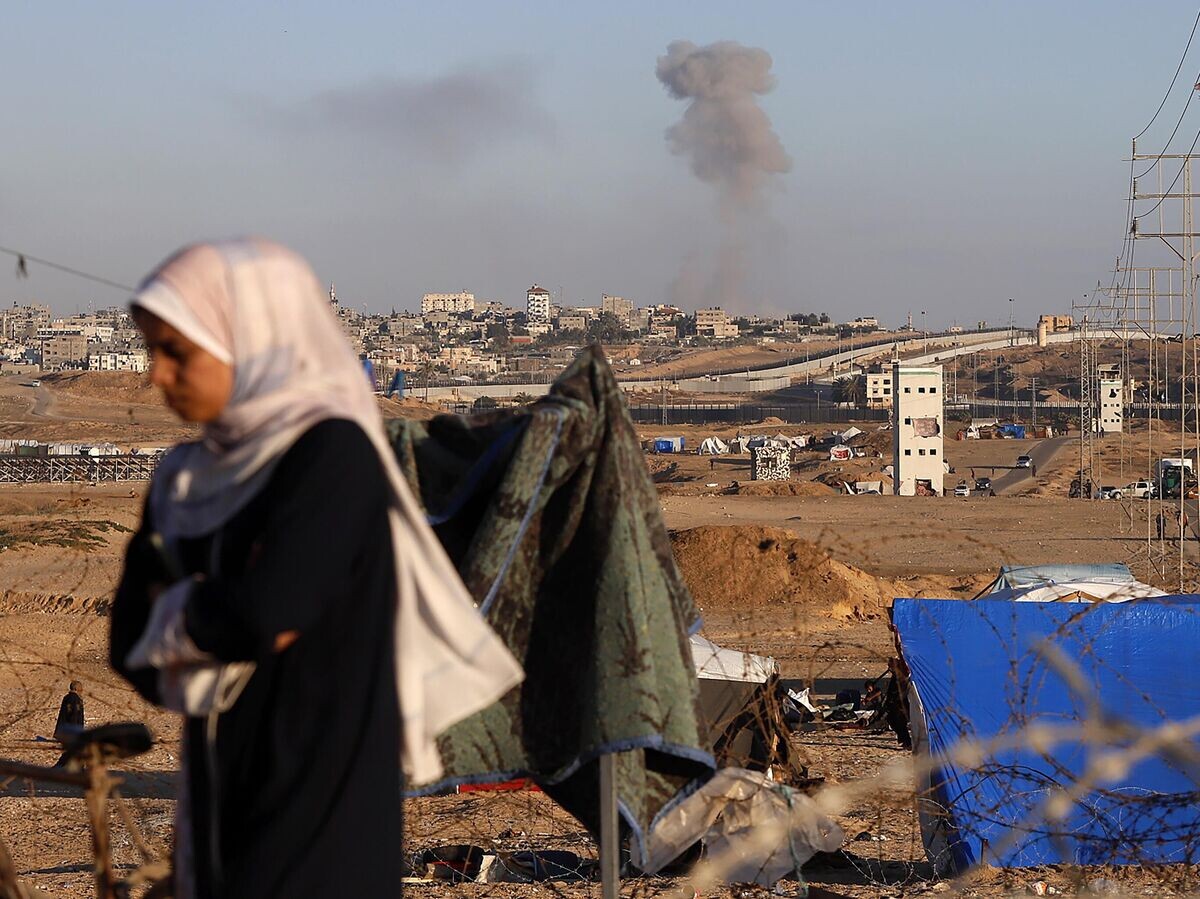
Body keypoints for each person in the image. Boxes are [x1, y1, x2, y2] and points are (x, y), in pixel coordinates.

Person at [109, 240, 522, 899]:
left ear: (252, 344)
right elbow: (130, 647)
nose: (156, 374)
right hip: (215, 806)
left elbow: (269, 609)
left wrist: (180, 607)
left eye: (176, 351)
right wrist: (220, 615)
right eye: (150, 351)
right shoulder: (186, 481)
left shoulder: (330, 457)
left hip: (319, 811)